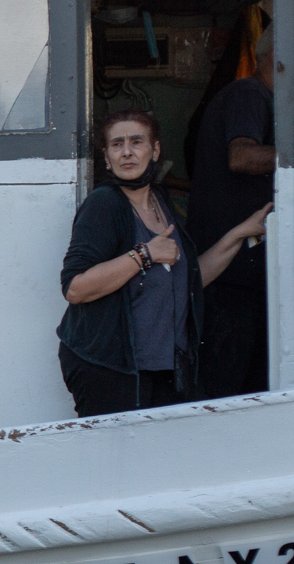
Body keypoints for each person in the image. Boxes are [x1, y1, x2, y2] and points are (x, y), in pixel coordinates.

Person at [59, 109, 269, 416]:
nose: (127, 152)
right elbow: (75, 288)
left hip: (164, 368)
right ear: (106, 157)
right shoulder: (104, 204)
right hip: (111, 369)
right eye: (117, 144)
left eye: (136, 142)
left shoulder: (159, 200)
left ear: (155, 150)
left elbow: (190, 279)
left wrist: (239, 233)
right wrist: (145, 254)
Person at [189, 28, 277, 397]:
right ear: (279, 57)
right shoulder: (249, 93)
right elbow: (241, 156)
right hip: (228, 278)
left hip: (246, 277)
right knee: (224, 393)